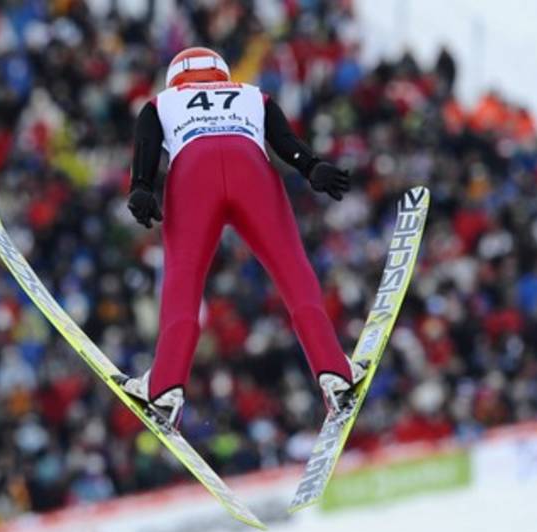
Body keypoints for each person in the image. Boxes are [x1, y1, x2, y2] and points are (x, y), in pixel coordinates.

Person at [121, 47, 367, 426]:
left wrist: (141, 187)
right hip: (251, 171)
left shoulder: (161, 102)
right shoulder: (253, 94)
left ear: (175, 78)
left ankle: (166, 386)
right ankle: (333, 370)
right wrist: (312, 166)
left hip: (193, 174)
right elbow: (285, 141)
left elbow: (146, 145)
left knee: (183, 281)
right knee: (293, 271)